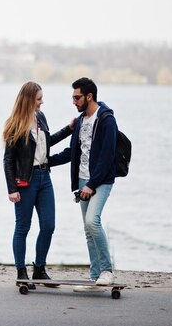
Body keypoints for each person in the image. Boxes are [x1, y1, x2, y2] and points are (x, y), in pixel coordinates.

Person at [3, 81, 73, 285]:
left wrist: (69, 129)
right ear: (29, 100)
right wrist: (12, 189)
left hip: (45, 178)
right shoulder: (14, 124)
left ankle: (39, 269)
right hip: (26, 181)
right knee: (23, 227)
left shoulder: (41, 117)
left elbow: (47, 143)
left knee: (49, 225)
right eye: (39, 99)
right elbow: (8, 160)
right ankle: (21, 271)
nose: (42, 102)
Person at [50, 77, 118, 288]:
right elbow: (73, 152)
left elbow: (108, 157)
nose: (74, 102)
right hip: (82, 179)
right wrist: (46, 160)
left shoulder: (106, 120)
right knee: (88, 231)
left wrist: (91, 184)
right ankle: (95, 276)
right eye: (73, 97)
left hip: (101, 180)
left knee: (92, 221)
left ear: (89, 96)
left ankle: (106, 271)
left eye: (77, 97)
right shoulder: (80, 121)